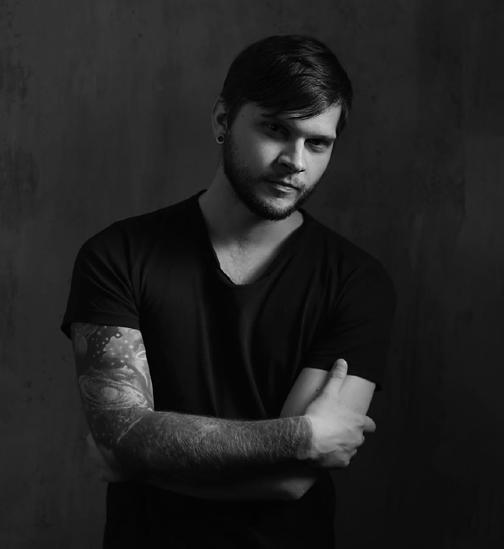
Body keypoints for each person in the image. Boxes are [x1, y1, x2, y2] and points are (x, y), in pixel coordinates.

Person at [61, 34, 395, 548]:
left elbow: (291, 481)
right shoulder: (116, 256)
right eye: (275, 129)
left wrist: (138, 457)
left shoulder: (357, 282)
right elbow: (123, 433)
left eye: (318, 143)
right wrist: (298, 436)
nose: (296, 160)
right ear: (222, 119)